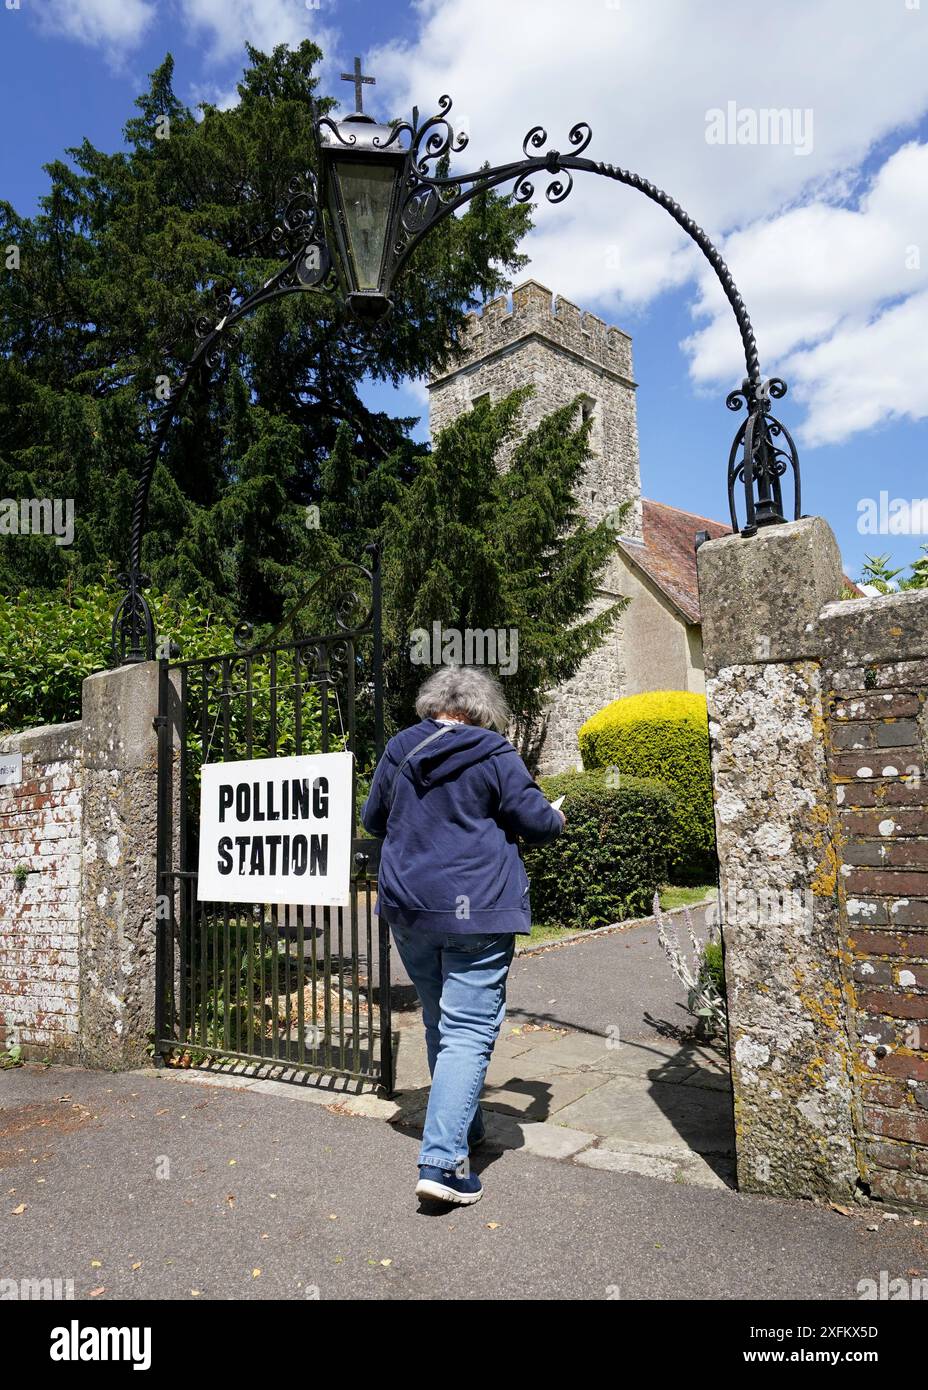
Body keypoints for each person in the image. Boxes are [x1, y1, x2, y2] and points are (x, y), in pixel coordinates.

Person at [361, 664, 565, 1206]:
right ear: (482, 711)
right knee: (469, 1030)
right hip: (479, 909)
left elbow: (373, 821)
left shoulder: (400, 749)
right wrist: (555, 816)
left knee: (439, 1020)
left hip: (411, 909)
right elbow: (538, 823)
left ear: (433, 705)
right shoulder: (496, 754)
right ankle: (444, 1163)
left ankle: (465, 1129)